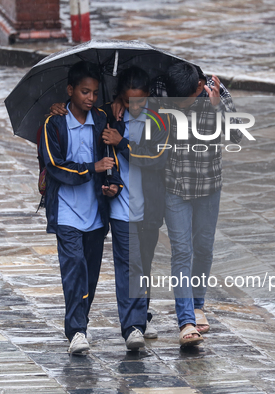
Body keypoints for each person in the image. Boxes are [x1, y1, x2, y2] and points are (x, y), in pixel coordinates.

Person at [158, 62, 243, 347]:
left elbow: (236, 136)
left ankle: (197, 304)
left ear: (198, 88)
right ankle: (186, 322)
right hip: (174, 185)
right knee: (181, 251)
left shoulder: (216, 92)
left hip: (208, 185)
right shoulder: (163, 87)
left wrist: (219, 107)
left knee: (203, 247)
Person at [40, 61, 121, 355]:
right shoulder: (54, 124)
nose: (90, 98)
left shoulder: (101, 119)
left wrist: (111, 183)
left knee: (90, 274)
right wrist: (91, 168)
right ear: (70, 91)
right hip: (65, 211)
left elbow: (110, 158)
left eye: (95, 93)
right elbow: (55, 166)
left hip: (96, 213)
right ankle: (76, 330)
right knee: (73, 268)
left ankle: (80, 322)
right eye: (85, 92)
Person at [100, 66, 170, 349]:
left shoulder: (161, 120)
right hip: (121, 208)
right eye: (129, 101)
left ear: (148, 96)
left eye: (140, 101)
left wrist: (123, 143)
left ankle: (142, 314)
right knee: (129, 266)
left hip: (150, 208)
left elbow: (156, 158)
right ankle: (132, 326)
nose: (135, 107)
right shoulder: (110, 117)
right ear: (120, 97)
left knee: (143, 264)